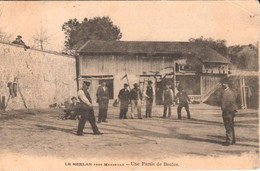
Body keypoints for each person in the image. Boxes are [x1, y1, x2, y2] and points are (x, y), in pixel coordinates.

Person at [220, 79, 237, 146]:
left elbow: (223, 103)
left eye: (223, 83)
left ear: (226, 84)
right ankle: (233, 140)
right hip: (231, 111)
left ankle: (229, 140)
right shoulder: (231, 92)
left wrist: (223, 109)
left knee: (227, 126)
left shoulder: (225, 92)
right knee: (231, 125)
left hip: (227, 111)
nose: (222, 85)